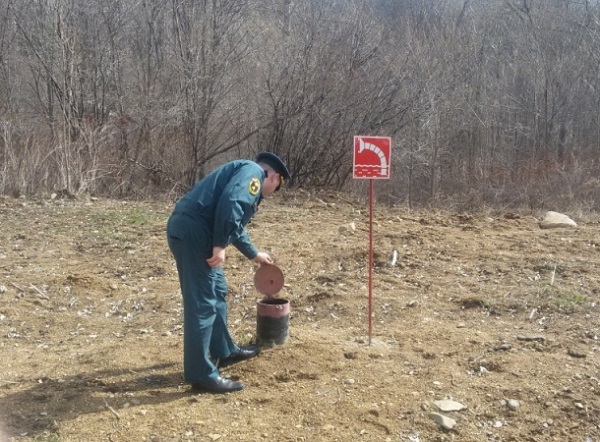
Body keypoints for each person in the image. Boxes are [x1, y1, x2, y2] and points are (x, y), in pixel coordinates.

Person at [166, 152, 291, 393]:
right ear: (274, 177)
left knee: (217, 291)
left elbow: (235, 223)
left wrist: (254, 254)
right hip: (195, 234)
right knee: (202, 304)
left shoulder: (245, 172)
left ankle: (224, 351)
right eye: (274, 189)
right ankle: (201, 374)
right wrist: (220, 245)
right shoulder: (253, 173)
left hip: (197, 232)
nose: (269, 195)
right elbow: (231, 203)